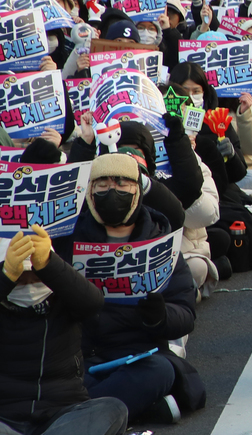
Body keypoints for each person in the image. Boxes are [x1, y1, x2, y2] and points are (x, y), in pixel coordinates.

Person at [63, 154, 197, 424]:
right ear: (89, 191)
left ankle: (77, 416)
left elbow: (185, 312)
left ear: (138, 190)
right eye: (102, 183)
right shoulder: (68, 238)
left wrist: (160, 316)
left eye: (122, 182)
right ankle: (129, 410)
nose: (112, 189)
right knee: (51, 380)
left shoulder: (160, 240)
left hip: (139, 355)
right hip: (80, 354)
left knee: (160, 372)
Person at [0, 227, 128, 435]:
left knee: (113, 409)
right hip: (5, 417)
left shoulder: (66, 297)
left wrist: (49, 264)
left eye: (36, 274)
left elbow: (93, 303)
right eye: (21, 277)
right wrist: (5, 277)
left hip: (61, 414)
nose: (30, 283)